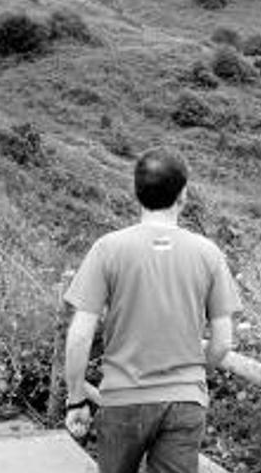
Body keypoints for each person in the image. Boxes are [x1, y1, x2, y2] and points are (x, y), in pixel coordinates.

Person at [63, 147, 240, 473]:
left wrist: (76, 397)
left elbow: (80, 335)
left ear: (136, 192)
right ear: (183, 195)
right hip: (184, 402)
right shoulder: (208, 254)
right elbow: (223, 342)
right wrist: (194, 378)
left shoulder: (108, 249)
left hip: (122, 398)